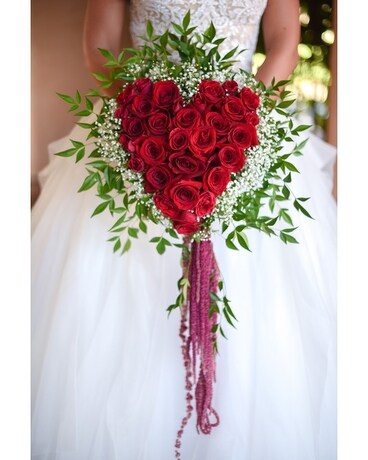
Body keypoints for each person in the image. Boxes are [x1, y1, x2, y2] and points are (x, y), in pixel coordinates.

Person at [31, 1, 337, 459]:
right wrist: (138, 122)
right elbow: (100, 48)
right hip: (138, 128)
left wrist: (240, 123)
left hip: (243, 127)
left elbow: (284, 46)